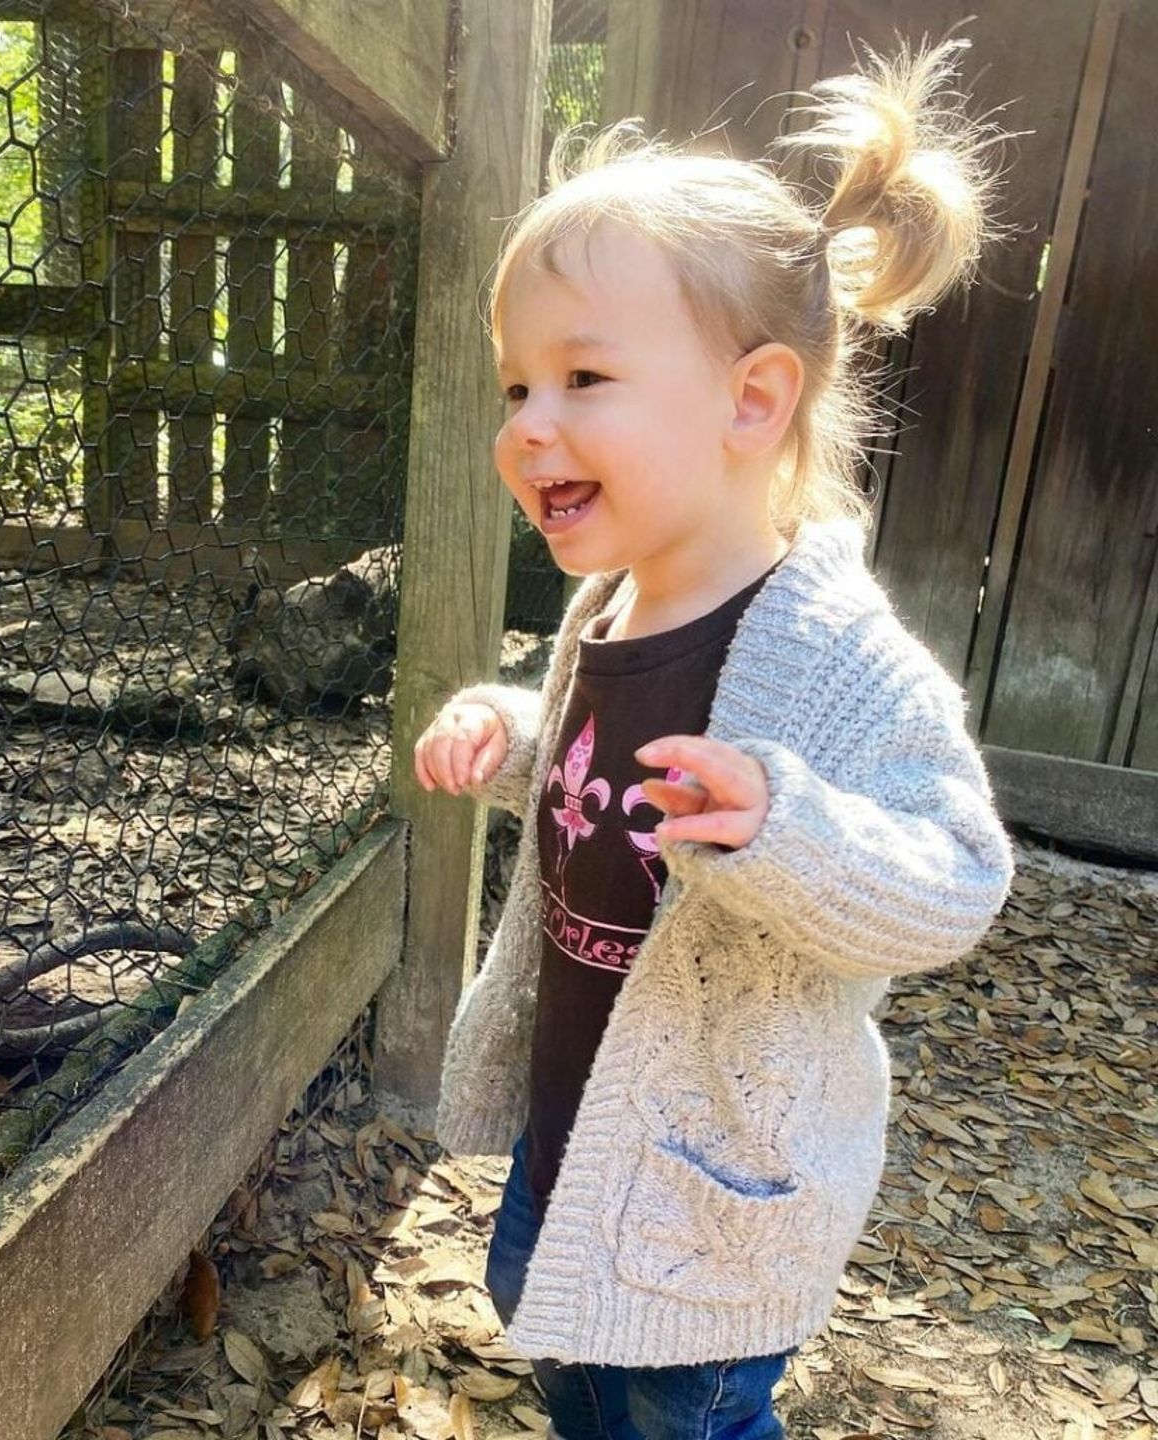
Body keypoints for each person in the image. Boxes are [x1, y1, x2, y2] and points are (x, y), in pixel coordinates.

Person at [411, 40, 1015, 1440]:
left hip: (709, 1194)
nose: (529, 425)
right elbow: (592, 777)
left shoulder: (838, 657)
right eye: (517, 388)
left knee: (680, 1420)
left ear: (753, 400)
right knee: (575, 1388)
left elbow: (957, 875)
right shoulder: (606, 606)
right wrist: (507, 730)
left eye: (580, 378)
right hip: (578, 1151)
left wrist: (787, 827)